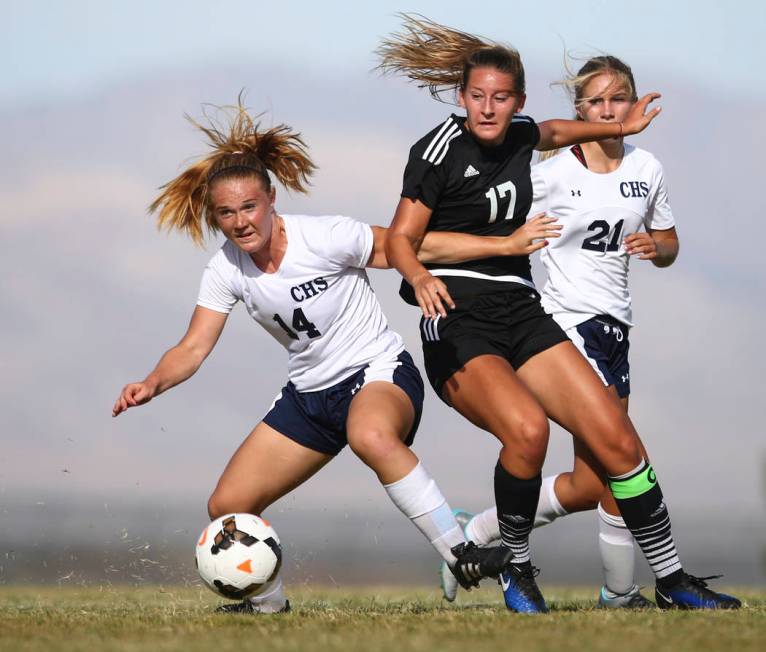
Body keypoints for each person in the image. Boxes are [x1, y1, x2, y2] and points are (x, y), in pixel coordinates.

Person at [378, 15, 740, 612]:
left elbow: (552, 129)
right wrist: (428, 274)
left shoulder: (526, 134)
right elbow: (401, 242)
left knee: (621, 445)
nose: (488, 109)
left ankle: (673, 581)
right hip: (458, 317)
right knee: (528, 430)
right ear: (461, 97)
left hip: (522, 311)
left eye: (500, 97)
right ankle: (515, 568)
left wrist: (622, 124)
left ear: (516, 100)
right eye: (476, 97)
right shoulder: (438, 150)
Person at [111, 101, 512, 614]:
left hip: (377, 374)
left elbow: (408, 246)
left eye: (249, 207)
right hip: (310, 397)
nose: (239, 222)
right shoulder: (225, 268)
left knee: (370, 435)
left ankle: (460, 551)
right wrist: (151, 383)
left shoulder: (324, 236)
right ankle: (267, 607)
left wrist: (498, 248)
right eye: (226, 213)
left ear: (272, 199)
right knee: (226, 509)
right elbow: (192, 347)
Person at [432, 55, 682, 609]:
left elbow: (668, 242)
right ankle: (623, 593)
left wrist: (655, 248)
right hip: (566, 324)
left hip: (617, 327)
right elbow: (487, 220)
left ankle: (476, 534)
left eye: (617, 99)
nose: (607, 110)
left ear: (634, 102)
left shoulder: (648, 169)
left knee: (592, 483)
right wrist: (497, 248)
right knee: (626, 450)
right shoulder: (546, 175)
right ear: (580, 110)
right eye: (595, 101)